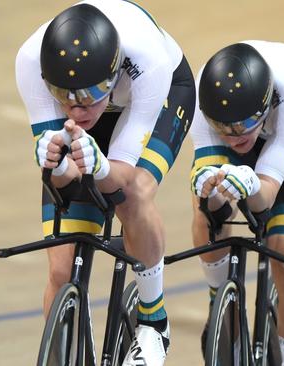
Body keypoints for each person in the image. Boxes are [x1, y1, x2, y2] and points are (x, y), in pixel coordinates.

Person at [15, 1, 195, 364]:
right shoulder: (31, 63)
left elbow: (121, 177)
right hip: (107, 97)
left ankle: (153, 321)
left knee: (133, 194)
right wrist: (56, 161)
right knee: (61, 267)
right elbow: (62, 180)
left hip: (157, 99)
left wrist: (99, 166)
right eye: (64, 97)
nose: (76, 110)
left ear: (113, 76)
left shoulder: (149, 63)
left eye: (87, 96)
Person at [189, 41, 284, 365]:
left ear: (265, 105)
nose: (236, 136)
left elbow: (264, 197)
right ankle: (219, 298)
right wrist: (209, 191)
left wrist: (252, 182)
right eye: (225, 128)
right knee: (207, 212)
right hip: (241, 123)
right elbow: (214, 202)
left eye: (245, 123)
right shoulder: (202, 100)